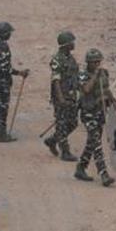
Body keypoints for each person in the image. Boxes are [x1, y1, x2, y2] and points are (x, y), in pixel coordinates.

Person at [74, 49, 116, 187]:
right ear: (88, 63)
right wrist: (95, 76)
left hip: (100, 111)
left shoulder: (104, 73)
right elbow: (86, 90)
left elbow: (106, 88)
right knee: (97, 144)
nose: (97, 64)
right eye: (94, 62)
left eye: (99, 61)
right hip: (88, 112)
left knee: (93, 142)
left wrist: (113, 100)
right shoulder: (82, 75)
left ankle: (81, 167)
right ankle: (103, 174)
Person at [44, 31, 80, 161]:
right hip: (62, 97)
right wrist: (60, 99)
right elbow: (56, 80)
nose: (74, 44)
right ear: (66, 44)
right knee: (62, 123)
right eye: (72, 42)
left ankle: (53, 140)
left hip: (72, 96)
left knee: (73, 123)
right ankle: (65, 151)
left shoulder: (70, 58)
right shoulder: (57, 60)